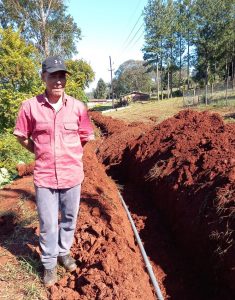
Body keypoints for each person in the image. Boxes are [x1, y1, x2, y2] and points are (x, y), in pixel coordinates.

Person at [14, 55, 95, 287]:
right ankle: (49, 264)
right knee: (48, 223)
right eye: (53, 76)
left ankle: (63, 252)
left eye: (62, 76)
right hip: (45, 176)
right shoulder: (30, 106)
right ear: (44, 77)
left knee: (69, 219)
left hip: (72, 175)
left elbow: (85, 138)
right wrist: (39, 150)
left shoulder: (78, 107)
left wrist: (69, 154)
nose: (58, 81)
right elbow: (21, 136)